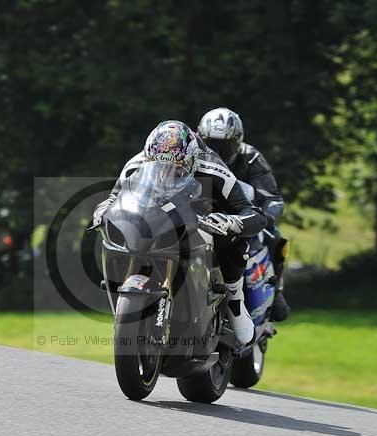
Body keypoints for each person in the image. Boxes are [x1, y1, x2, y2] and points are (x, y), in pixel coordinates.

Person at [93, 120, 270, 345]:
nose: (166, 172)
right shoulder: (135, 164)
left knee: (231, 239)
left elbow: (254, 213)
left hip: (204, 213)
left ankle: (235, 300)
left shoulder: (213, 168)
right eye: (159, 166)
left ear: (191, 161)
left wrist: (229, 221)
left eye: (175, 169)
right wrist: (102, 211)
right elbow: (114, 197)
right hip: (157, 215)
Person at [197, 107, 290, 322]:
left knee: (275, 236)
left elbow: (271, 196)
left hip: (243, 217)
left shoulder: (251, 157)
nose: (217, 152)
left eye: (224, 145)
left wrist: (265, 217)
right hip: (204, 216)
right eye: (211, 144)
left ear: (238, 141)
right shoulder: (193, 156)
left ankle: (277, 291)